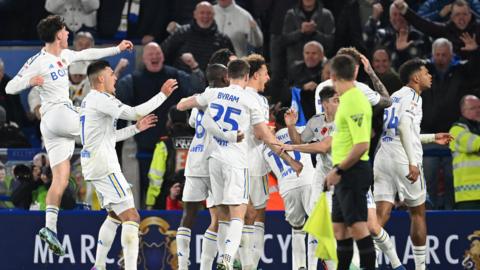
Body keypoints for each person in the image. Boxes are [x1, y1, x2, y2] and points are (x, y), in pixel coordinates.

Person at [5, 15, 133, 256]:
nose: (68, 34)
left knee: (61, 179)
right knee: (97, 131)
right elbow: (9, 88)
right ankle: (113, 188)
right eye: (65, 31)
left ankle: (49, 228)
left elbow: (88, 55)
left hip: (53, 126)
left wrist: (116, 48)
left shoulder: (64, 56)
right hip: (57, 113)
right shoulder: (37, 60)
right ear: (57, 34)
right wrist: (30, 80)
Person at [176, 59, 300, 270]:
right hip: (236, 162)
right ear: (245, 77)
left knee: (220, 217)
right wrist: (289, 158)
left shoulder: (213, 94)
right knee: (240, 215)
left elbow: (181, 105)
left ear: (228, 76)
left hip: (212, 161)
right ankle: (228, 260)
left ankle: (209, 265)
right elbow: (263, 135)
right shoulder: (249, 100)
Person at [80, 60, 177, 270]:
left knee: (115, 215)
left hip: (96, 163)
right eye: (111, 73)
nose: (115, 77)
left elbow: (109, 137)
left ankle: (98, 265)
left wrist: (136, 129)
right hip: (104, 165)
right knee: (132, 216)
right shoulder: (101, 99)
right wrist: (163, 95)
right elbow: (134, 111)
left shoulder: (90, 101)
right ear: (100, 78)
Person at [374, 59, 452, 270]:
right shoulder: (414, 98)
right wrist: (412, 162)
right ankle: (420, 268)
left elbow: (403, 129)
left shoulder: (395, 96)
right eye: (427, 73)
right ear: (416, 78)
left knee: (381, 214)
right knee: (417, 213)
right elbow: (404, 126)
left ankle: (363, 262)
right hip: (403, 158)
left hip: (383, 156)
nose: (430, 76)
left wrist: (432, 137)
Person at [116, 42, 203, 207]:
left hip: (175, 147)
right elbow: (117, 101)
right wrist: (118, 72)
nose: (155, 57)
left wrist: (194, 67)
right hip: (146, 148)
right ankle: (149, 217)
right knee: (149, 188)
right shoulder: (133, 79)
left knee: (181, 192)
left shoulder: (176, 76)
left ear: (163, 56)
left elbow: (197, 92)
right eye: (151, 54)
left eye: (158, 54)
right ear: (143, 58)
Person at [176, 63, 240, 270]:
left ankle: (183, 265)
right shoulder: (229, 98)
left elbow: (194, 122)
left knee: (189, 215)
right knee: (224, 216)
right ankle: (223, 262)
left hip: (195, 160)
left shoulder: (200, 97)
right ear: (224, 78)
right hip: (218, 160)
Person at [324, 54, 376, 270]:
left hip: (352, 171)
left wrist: (338, 170)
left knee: (358, 228)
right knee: (339, 230)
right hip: (344, 173)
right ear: (355, 72)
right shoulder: (346, 100)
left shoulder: (355, 100)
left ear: (332, 75)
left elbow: (362, 144)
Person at [264, 107, 315, 270]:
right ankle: (313, 267)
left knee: (297, 228)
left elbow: (269, 170)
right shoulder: (299, 130)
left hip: (287, 186)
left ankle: (299, 266)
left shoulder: (267, 145)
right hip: (308, 180)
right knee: (315, 225)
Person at [161, 1, 234, 72]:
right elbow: (163, 51)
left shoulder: (223, 39)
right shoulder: (181, 33)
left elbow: (232, 63)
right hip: (183, 79)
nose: (205, 16)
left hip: (212, 81)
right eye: (202, 13)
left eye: (209, 13)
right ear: (195, 14)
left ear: (213, 15)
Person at [394, 0, 480, 60]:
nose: (461, 18)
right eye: (457, 14)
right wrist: (405, 10)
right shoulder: (446, 29)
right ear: (452, 17)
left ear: (470, 14)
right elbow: (423, 24)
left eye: (464, 14)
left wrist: (476, 50)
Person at [449, 95, 480, 209]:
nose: (478, 111)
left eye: (479, 107)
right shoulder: (456, 130)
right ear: (463, 111)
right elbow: (476, 144)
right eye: (473, 108)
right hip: (468, 196)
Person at [288, 41, 327, 119]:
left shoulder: (327, 69)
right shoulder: (295, 68)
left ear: (322, 55)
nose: (310, 56)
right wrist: (302, 87)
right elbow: (285, 91)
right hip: (300, 111)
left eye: (314, 53)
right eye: (307, 53)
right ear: (303, 54)